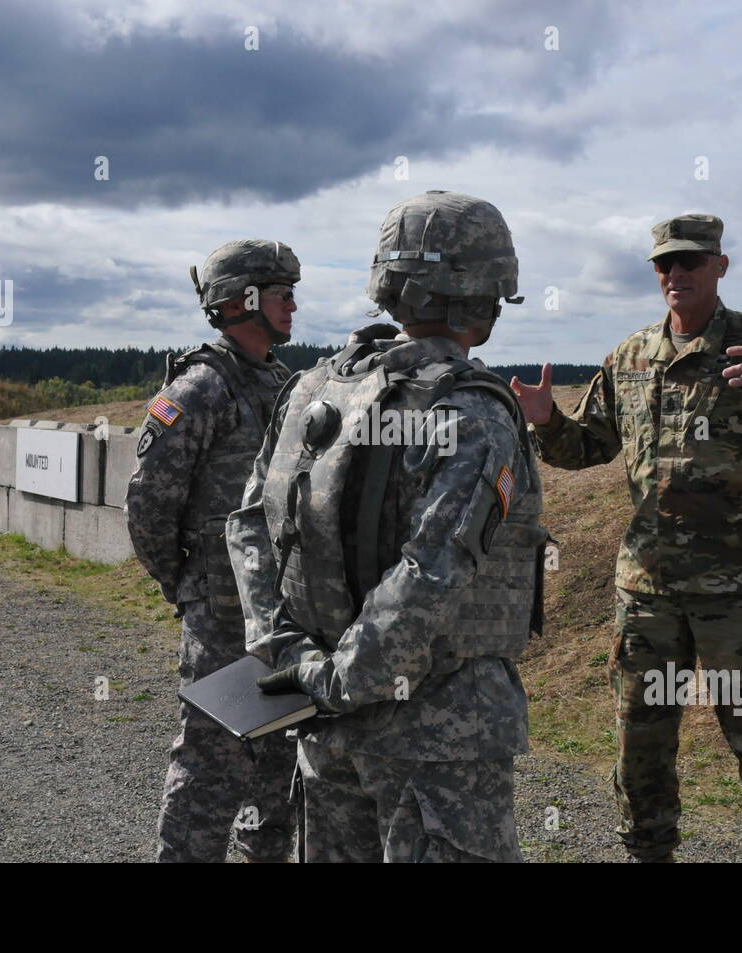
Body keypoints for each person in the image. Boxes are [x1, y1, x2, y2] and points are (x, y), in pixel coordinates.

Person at [511, 213, 742, 863]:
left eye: (692, 261)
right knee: (639, 747)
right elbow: (589, 445)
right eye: (664, 263)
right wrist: (546, 422)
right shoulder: (630, 356)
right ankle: (647, 852)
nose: (676, 273)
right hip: (648, 593)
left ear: (720, 266)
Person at [227, 190, 549, 863]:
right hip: (438, 743)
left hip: (323, 729)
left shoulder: (313, 390)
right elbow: (431, 574)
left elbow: (252, 527)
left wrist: (288, 655)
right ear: (486, 293)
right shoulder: (473, 411)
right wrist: (342, 678)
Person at [125, 238, 300, 862]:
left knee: (280, 761)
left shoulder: (284, 385)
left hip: (280, 613)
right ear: (243, 301)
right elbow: (148, 506)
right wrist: (189, 586)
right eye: (282, 295)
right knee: (211, 762)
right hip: (222, 612)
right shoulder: (199, 389)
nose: (293, 308)